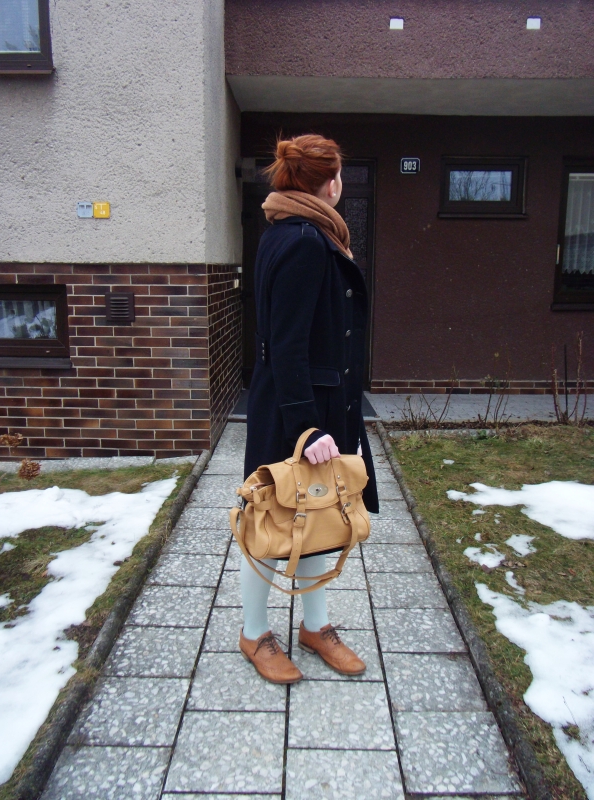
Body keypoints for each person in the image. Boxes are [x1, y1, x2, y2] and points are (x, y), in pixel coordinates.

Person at [239, 134, 379, 684]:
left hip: (310, 403)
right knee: (269, 520)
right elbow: (285, 344)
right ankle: (254, 633)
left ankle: (315, 626)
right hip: (298, 410)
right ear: (330, 181)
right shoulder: (302, 240)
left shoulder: (295, 230)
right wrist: (308, 425)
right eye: (338, 173)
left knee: (321, 513)